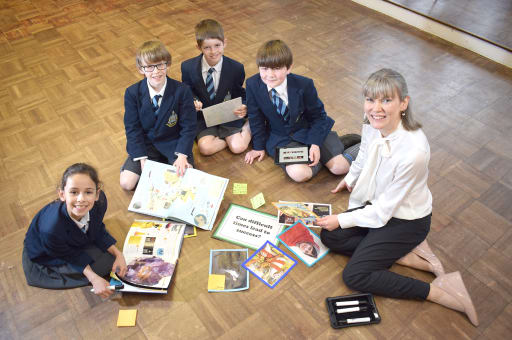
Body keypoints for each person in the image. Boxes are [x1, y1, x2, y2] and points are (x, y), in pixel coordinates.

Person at [316, 69, 478, 327]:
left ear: (404, 103)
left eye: (386, 100)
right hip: (378, 205)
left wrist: (341, 219)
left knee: (355, 275)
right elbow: (365, 152)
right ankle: (407, 257)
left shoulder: (414, 151)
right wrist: (350, 177)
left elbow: (382, 212)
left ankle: (439, 292)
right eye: (370, 99)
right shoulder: (373, 121)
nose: (375, 108)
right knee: (330, 235)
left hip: (405, 221)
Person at [244, 40, 360, 182]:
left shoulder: (304, 84)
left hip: (309, 130)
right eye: (264, 69)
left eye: (276, 68)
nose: (270, 75)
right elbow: (255, 118)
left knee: (339, 168)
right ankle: (331, 152)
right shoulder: (252, 84)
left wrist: (315, 144)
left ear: (289, 68)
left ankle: (360, 146)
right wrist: (258, 147)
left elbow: (319, 117)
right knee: (299, 174)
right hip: (282, 139)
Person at [22, 163, 127, 299]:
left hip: (69, 239)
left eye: (88, 192)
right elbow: (69, 255)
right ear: (62, 194)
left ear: (97, 194)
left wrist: (118, 254)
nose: (81, 199)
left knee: (110, 261)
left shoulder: (100, 202)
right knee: (103, 267)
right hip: (48, 250)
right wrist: (94, 278)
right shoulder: (51, 229)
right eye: (74, 192)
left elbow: (97, 228)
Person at [120, 40, 196, 190]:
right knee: (126, 183)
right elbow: (132, 128)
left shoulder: (182, 90)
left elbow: (189, 126)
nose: (156, 72)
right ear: (141, 69)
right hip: (146, 146)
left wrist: (182, 155)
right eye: (149, 67)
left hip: (174, 144)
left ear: (167, 64)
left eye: (160, 65)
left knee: (185, 182)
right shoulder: (132, 93)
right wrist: (142, 158)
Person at [181, 19, 251, 156]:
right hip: (205, 117)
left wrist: (244, 106)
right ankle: (230, 139)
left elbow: (241, 93)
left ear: (225, 42)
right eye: (207, 47)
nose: (213, 52)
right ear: (198, 47)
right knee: (205, 149)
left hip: (228, 114)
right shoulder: (187, 67)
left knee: (238, 148)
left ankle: (250, 126)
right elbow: (187, 91)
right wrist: (193, 101)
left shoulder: (236, 68)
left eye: (217, 45)